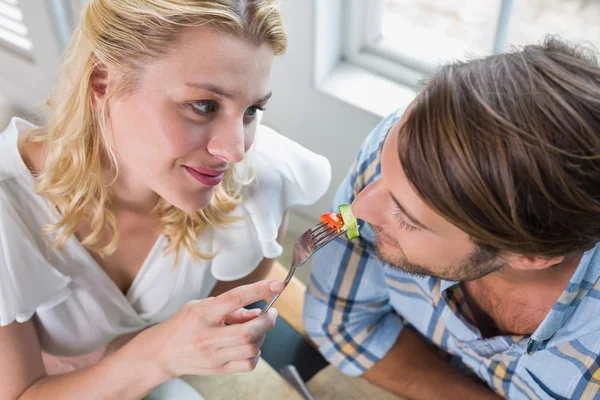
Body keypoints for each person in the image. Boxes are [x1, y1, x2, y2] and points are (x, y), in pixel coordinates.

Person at [0, 1, 331, 399]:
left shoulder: (259, 186)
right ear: (103, 83)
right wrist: (157, 355)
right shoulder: (8, 211)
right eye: (204, 106)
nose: (235, 150)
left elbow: (221, 324)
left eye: (252, 110)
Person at [304, 37, 600, 400]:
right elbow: (342, 326)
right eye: (382, 170)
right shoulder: (405, 146)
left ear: (531, 256)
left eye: (409, 218)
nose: (361, 207)